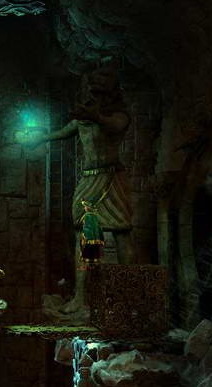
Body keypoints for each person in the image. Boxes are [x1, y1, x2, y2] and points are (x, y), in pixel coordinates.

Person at [26, 66, 133, 313]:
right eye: (94, 93)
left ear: (112, 93)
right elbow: (61, 133)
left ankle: (129, 297)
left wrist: (96, 117)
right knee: (85, 237)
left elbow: (116, 125)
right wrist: (39, 137)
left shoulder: (119, 115)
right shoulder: (83, 119)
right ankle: (82, 297)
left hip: (112, 178)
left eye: (102, 93)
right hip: (89, 181)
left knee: (122, 234)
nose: (97, 98)